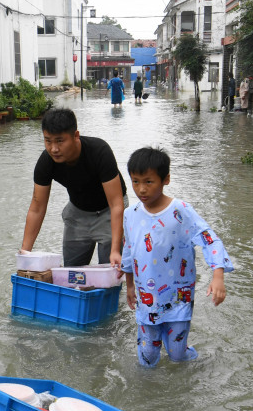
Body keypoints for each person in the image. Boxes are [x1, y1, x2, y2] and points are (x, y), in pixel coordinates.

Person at [120, 147, 235, 367]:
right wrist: (130, 286)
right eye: (135, 182)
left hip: (177, 298)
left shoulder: (181, 210)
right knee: (147, 357)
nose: (141, 189)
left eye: (148, 182)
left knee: (177, 355)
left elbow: (209, 239)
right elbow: (130, 249)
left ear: (166, 180)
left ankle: (195, 360)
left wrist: (218, 275)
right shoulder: (130, 214)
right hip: (147, 300)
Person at [20, 107, 127, 268]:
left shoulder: (99, 151)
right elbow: (37, 207)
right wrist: (25, 254)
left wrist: (115, 251)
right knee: (71, 274)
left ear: (75, 136)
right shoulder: (46, 162)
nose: (53, 149)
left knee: (110, 270)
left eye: (60, 141)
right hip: (78, 213)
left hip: (109, 212)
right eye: (48, 141)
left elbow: (116, 204)